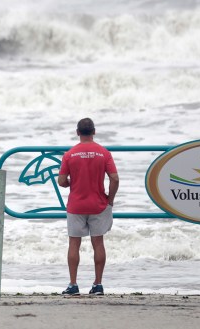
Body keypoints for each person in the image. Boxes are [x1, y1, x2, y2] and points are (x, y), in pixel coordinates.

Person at [58, 118, 119, 296]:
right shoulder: (103, 153)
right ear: (94, 132)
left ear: (77, 132)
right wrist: (110, 199)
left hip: (77, 204)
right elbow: (114, 178)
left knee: (74, 244)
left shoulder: (70, 154)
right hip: (98, 204)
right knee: (98, 243)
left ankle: (73, 285)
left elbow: (61, 181)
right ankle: (98, 284)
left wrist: (70, 183)